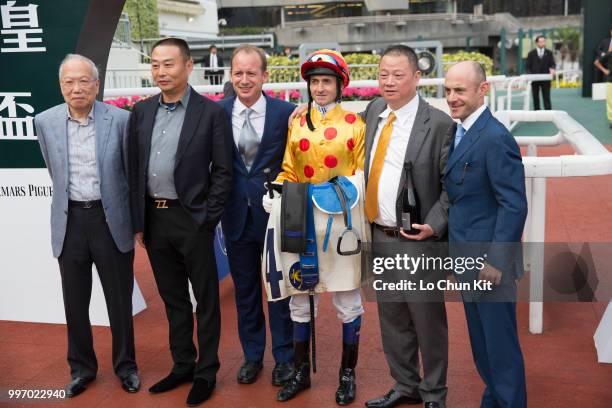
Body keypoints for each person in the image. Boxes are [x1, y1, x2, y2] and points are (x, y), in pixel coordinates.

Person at [128, 38, 233, 406]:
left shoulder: (210, 114)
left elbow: (223, 172)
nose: (161, 71)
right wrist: (137, 220)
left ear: (189, 66)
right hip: (154, 221)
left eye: (169, 64)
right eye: (155, 64)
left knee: (205, 300)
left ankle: (206, 372)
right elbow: (133, 169)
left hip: (192, 220)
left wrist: (207, 217)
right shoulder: (141, 112)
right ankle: (182, 365)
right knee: (172, 299)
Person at [34, 54, 140, 397]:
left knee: (119, 302)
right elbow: (55, 171)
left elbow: (129, 175)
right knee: (75, 303)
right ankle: (81, 369)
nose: (76, 88)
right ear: (61, 86)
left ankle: (126, 367)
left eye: (83, 81)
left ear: (96, 84)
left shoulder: (121, 120)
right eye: (69, 82)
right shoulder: (45, 122)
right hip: (71, 221)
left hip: (110, 220)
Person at [264, 49, 366, 405]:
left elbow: (360, 176)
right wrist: (276, 188)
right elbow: (289, 167)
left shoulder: (356, 124)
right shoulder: (296, 122)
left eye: (327, 81)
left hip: (340, 223)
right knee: (300, 300)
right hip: (301, 221)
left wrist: (329, 193)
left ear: (340, 86)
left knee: (348, 299)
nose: (320, 88)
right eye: (315, 82)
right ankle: (300, 373)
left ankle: (347, 375)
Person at [363, 45, 453, 408]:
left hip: (419, 240)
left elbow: (452, 188)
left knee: (427, 320)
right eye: (383, 73)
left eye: (398, 75)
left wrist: (433, 225)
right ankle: (405, 385)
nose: (388, 81)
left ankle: (434, 393)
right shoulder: (373, 112)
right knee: (392, 317)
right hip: (380, 236)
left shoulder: (440, 124)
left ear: (417, 77)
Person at [443, 61, 528, 408]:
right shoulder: (459, 131)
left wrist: (496, 261)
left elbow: (514, 205)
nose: (451, 97)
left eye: (460, 90)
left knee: (500, 350)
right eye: (447, 90)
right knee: (482, 348)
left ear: (483, 90)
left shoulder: (495, 138)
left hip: (488, 266)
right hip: (467, 261)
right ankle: (493, 401)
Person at [217, 44, 295, 386]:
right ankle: (252, 357)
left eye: (251, 73)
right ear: (230, 75)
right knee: (246, 293)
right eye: (238, 73)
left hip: (275, 218)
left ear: (265, 75)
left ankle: (285, 358)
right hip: (235, 217)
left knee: (279, 292)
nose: (244, 79)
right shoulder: (216, 114)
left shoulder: (287, 113)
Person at [525, 35, 556, 110]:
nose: (542, 43)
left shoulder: (549, 53)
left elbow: (552, 63)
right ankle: (537, 111)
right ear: (537, 43)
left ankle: (548, 112)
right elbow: (527, 66)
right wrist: (529, 75)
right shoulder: (531, 54)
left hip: (546, 79)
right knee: (535, 96)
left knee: (546, 96)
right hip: (534, 79)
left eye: (543, 41)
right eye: (541, 41)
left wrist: (552, 68)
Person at [594, 32, 612, 128]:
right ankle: (611, 120)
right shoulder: (609, 54)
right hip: (610, 81)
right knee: (610, 102)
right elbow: (596, 62)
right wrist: (605, 70)